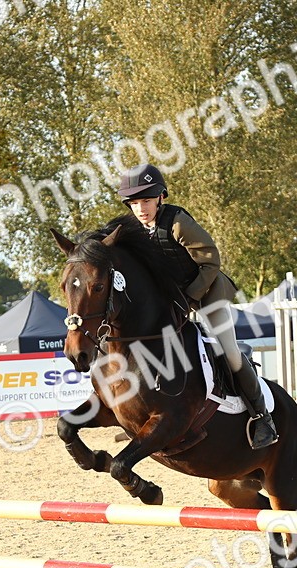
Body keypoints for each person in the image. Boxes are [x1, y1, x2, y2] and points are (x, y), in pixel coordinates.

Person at [118, 163, 278, 448]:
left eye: (147, 201)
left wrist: (191, 298)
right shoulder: (133, 230)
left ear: (160, 197)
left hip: (207, 291)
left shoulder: (177, 222)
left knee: (229, 353)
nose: (141, 209)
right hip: (171, 298)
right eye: (134, 203)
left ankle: (262, 417)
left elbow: (211, 261)